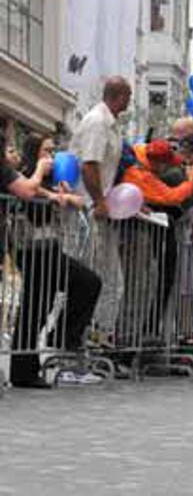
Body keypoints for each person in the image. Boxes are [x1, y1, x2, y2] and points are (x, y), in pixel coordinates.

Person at [3, 133, 102, 387]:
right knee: (36, 307)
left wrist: (62, 197)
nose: (51, 157)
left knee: (84, 284)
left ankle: (58, 339)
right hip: (32, 250)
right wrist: (56, 196)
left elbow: (56, 207)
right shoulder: (28, 174)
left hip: (49, 249)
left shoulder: (50, 179)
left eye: (52, 151)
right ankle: (24, 370)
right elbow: (30, 200)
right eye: (46, 151)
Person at [70, 76, 131, 338]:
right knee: (91, 279)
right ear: (119, 96)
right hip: (88, 211)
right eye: (128, 96)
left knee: (109, 280)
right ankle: (79, 336)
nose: (130, 102)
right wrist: (99, 201)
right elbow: (89, 165)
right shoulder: (97, 122)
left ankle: (98, 334)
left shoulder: (111, 124)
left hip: (99, 211)